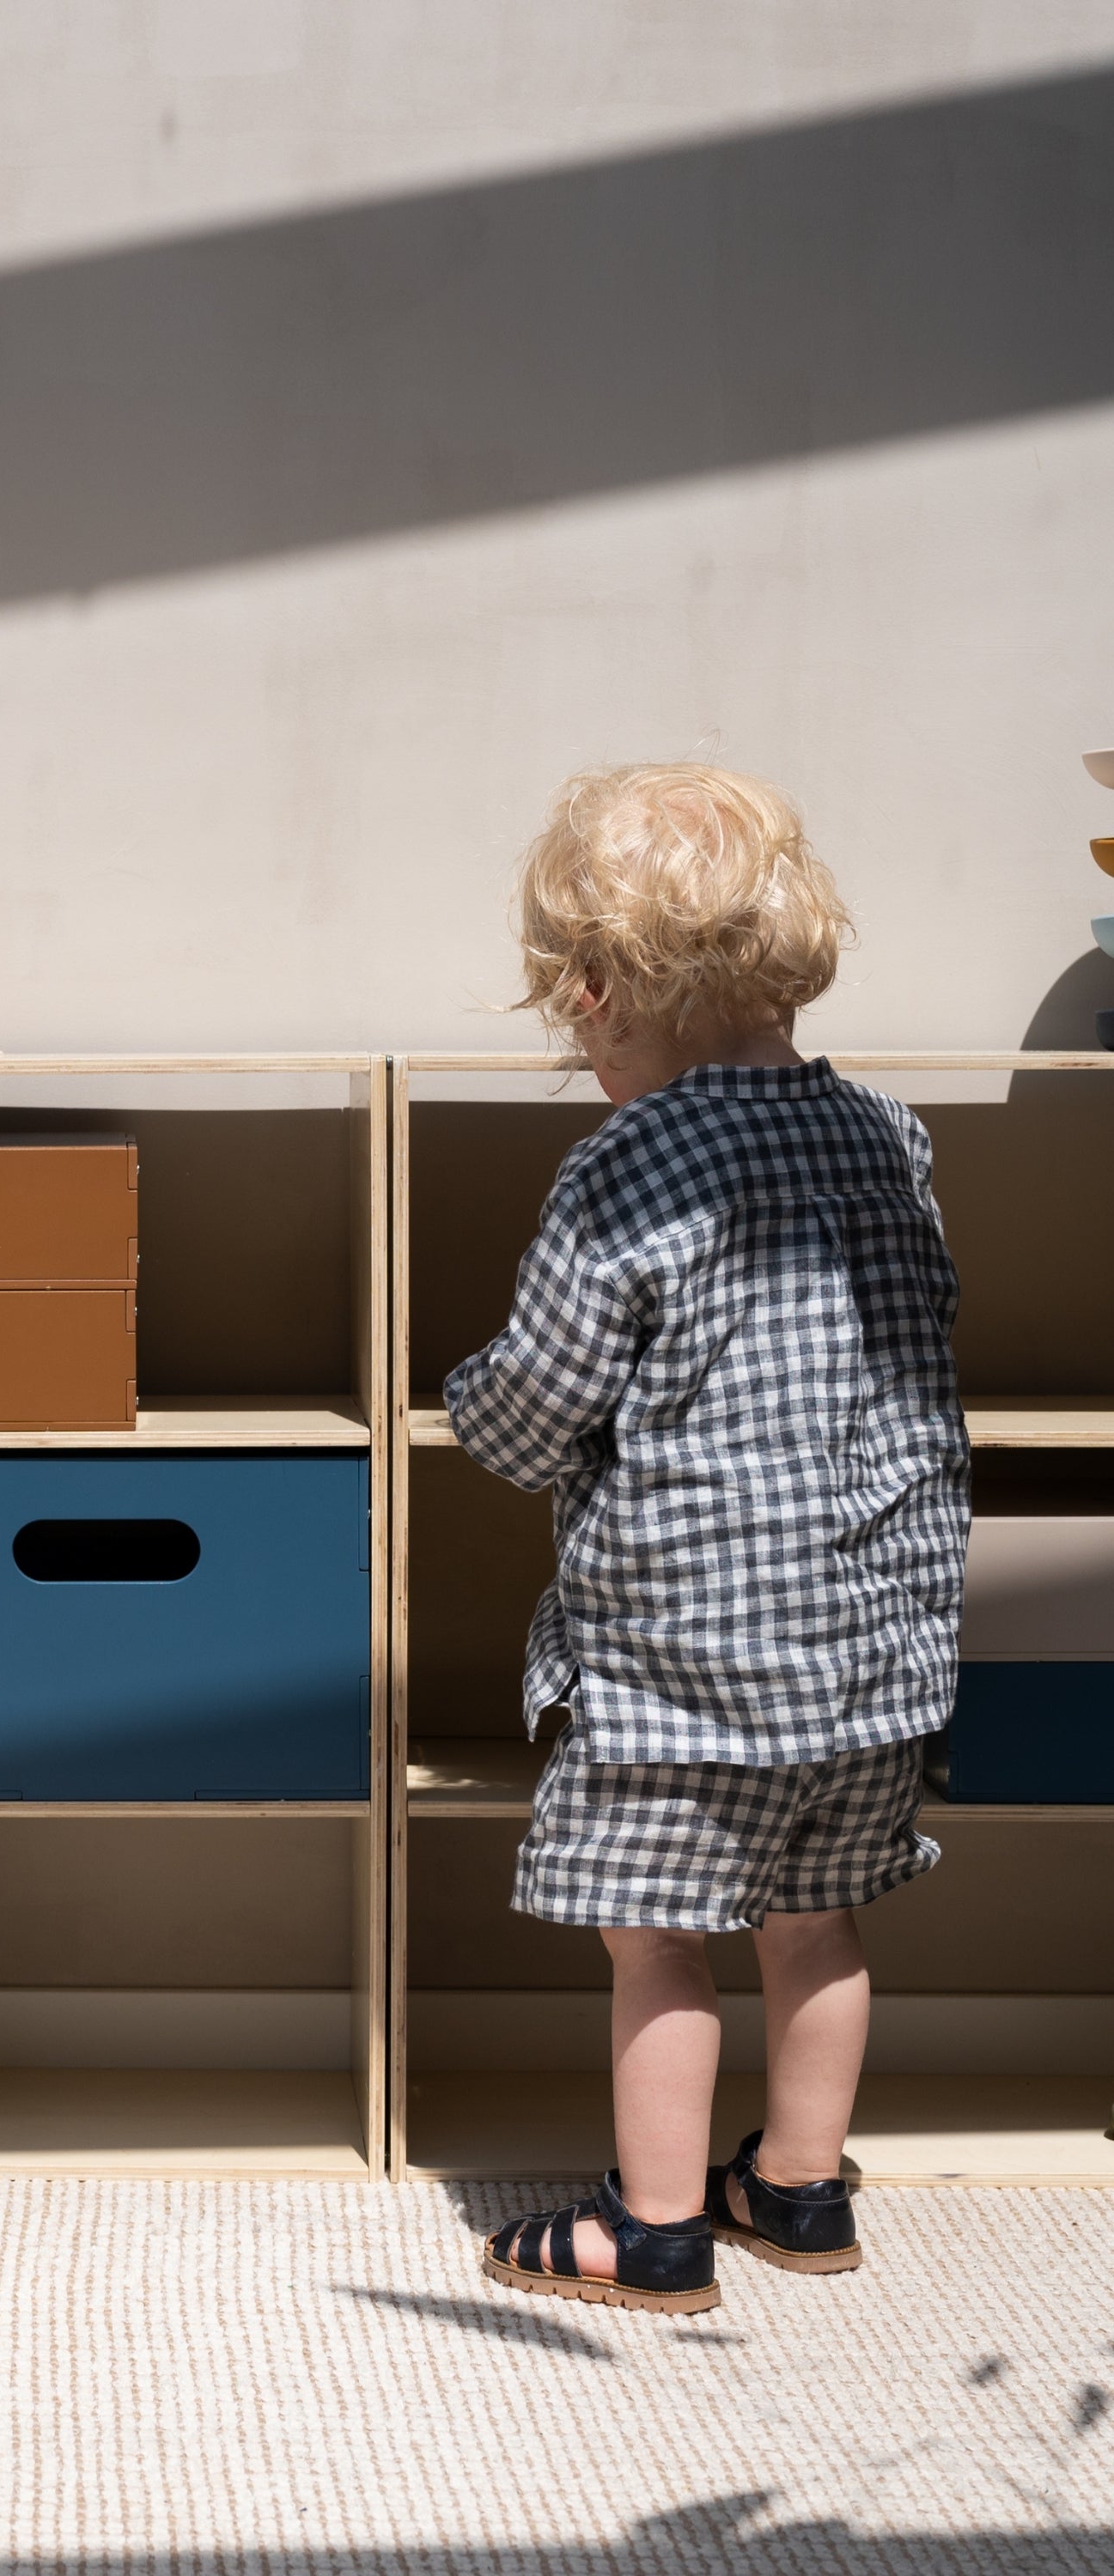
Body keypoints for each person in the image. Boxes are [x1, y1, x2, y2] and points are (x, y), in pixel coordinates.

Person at [450, 763, 968, 2315]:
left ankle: (655, 2227)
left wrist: (469, 1402)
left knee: (659, 1940)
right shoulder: (889, 1138)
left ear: (600, 992)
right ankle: (801, 2194)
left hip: (683, 1666)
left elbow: (535, 1408)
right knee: (821, 1924)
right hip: (871, 1643)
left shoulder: (632, 1163)